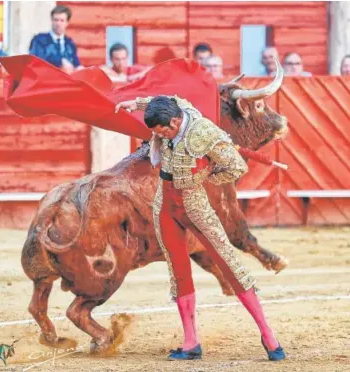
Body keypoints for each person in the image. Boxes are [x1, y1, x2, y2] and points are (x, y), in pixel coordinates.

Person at [115, 95, 286, 362]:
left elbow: (236, 165)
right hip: (165, 203)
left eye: (166, 131)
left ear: (175, 121)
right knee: (178, 271)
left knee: (229, 264)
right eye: (158, 134)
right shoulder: (176, 109)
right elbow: (170, 97)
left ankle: (268, 335)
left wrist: (205, 177)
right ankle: (191, 342)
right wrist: (135, 104)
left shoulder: (204, 131)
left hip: (194, 203)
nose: (164, 137)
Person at [29, 5, 82, 73]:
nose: (58, 23)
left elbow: (76, 64)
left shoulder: (70, 43)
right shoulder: (39, 40)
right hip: (46, 80)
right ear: (51, 20)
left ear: (67, 23)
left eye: (62, 20)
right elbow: (35, 62)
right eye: (56, 20)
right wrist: (60, 62)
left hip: (66, 82)